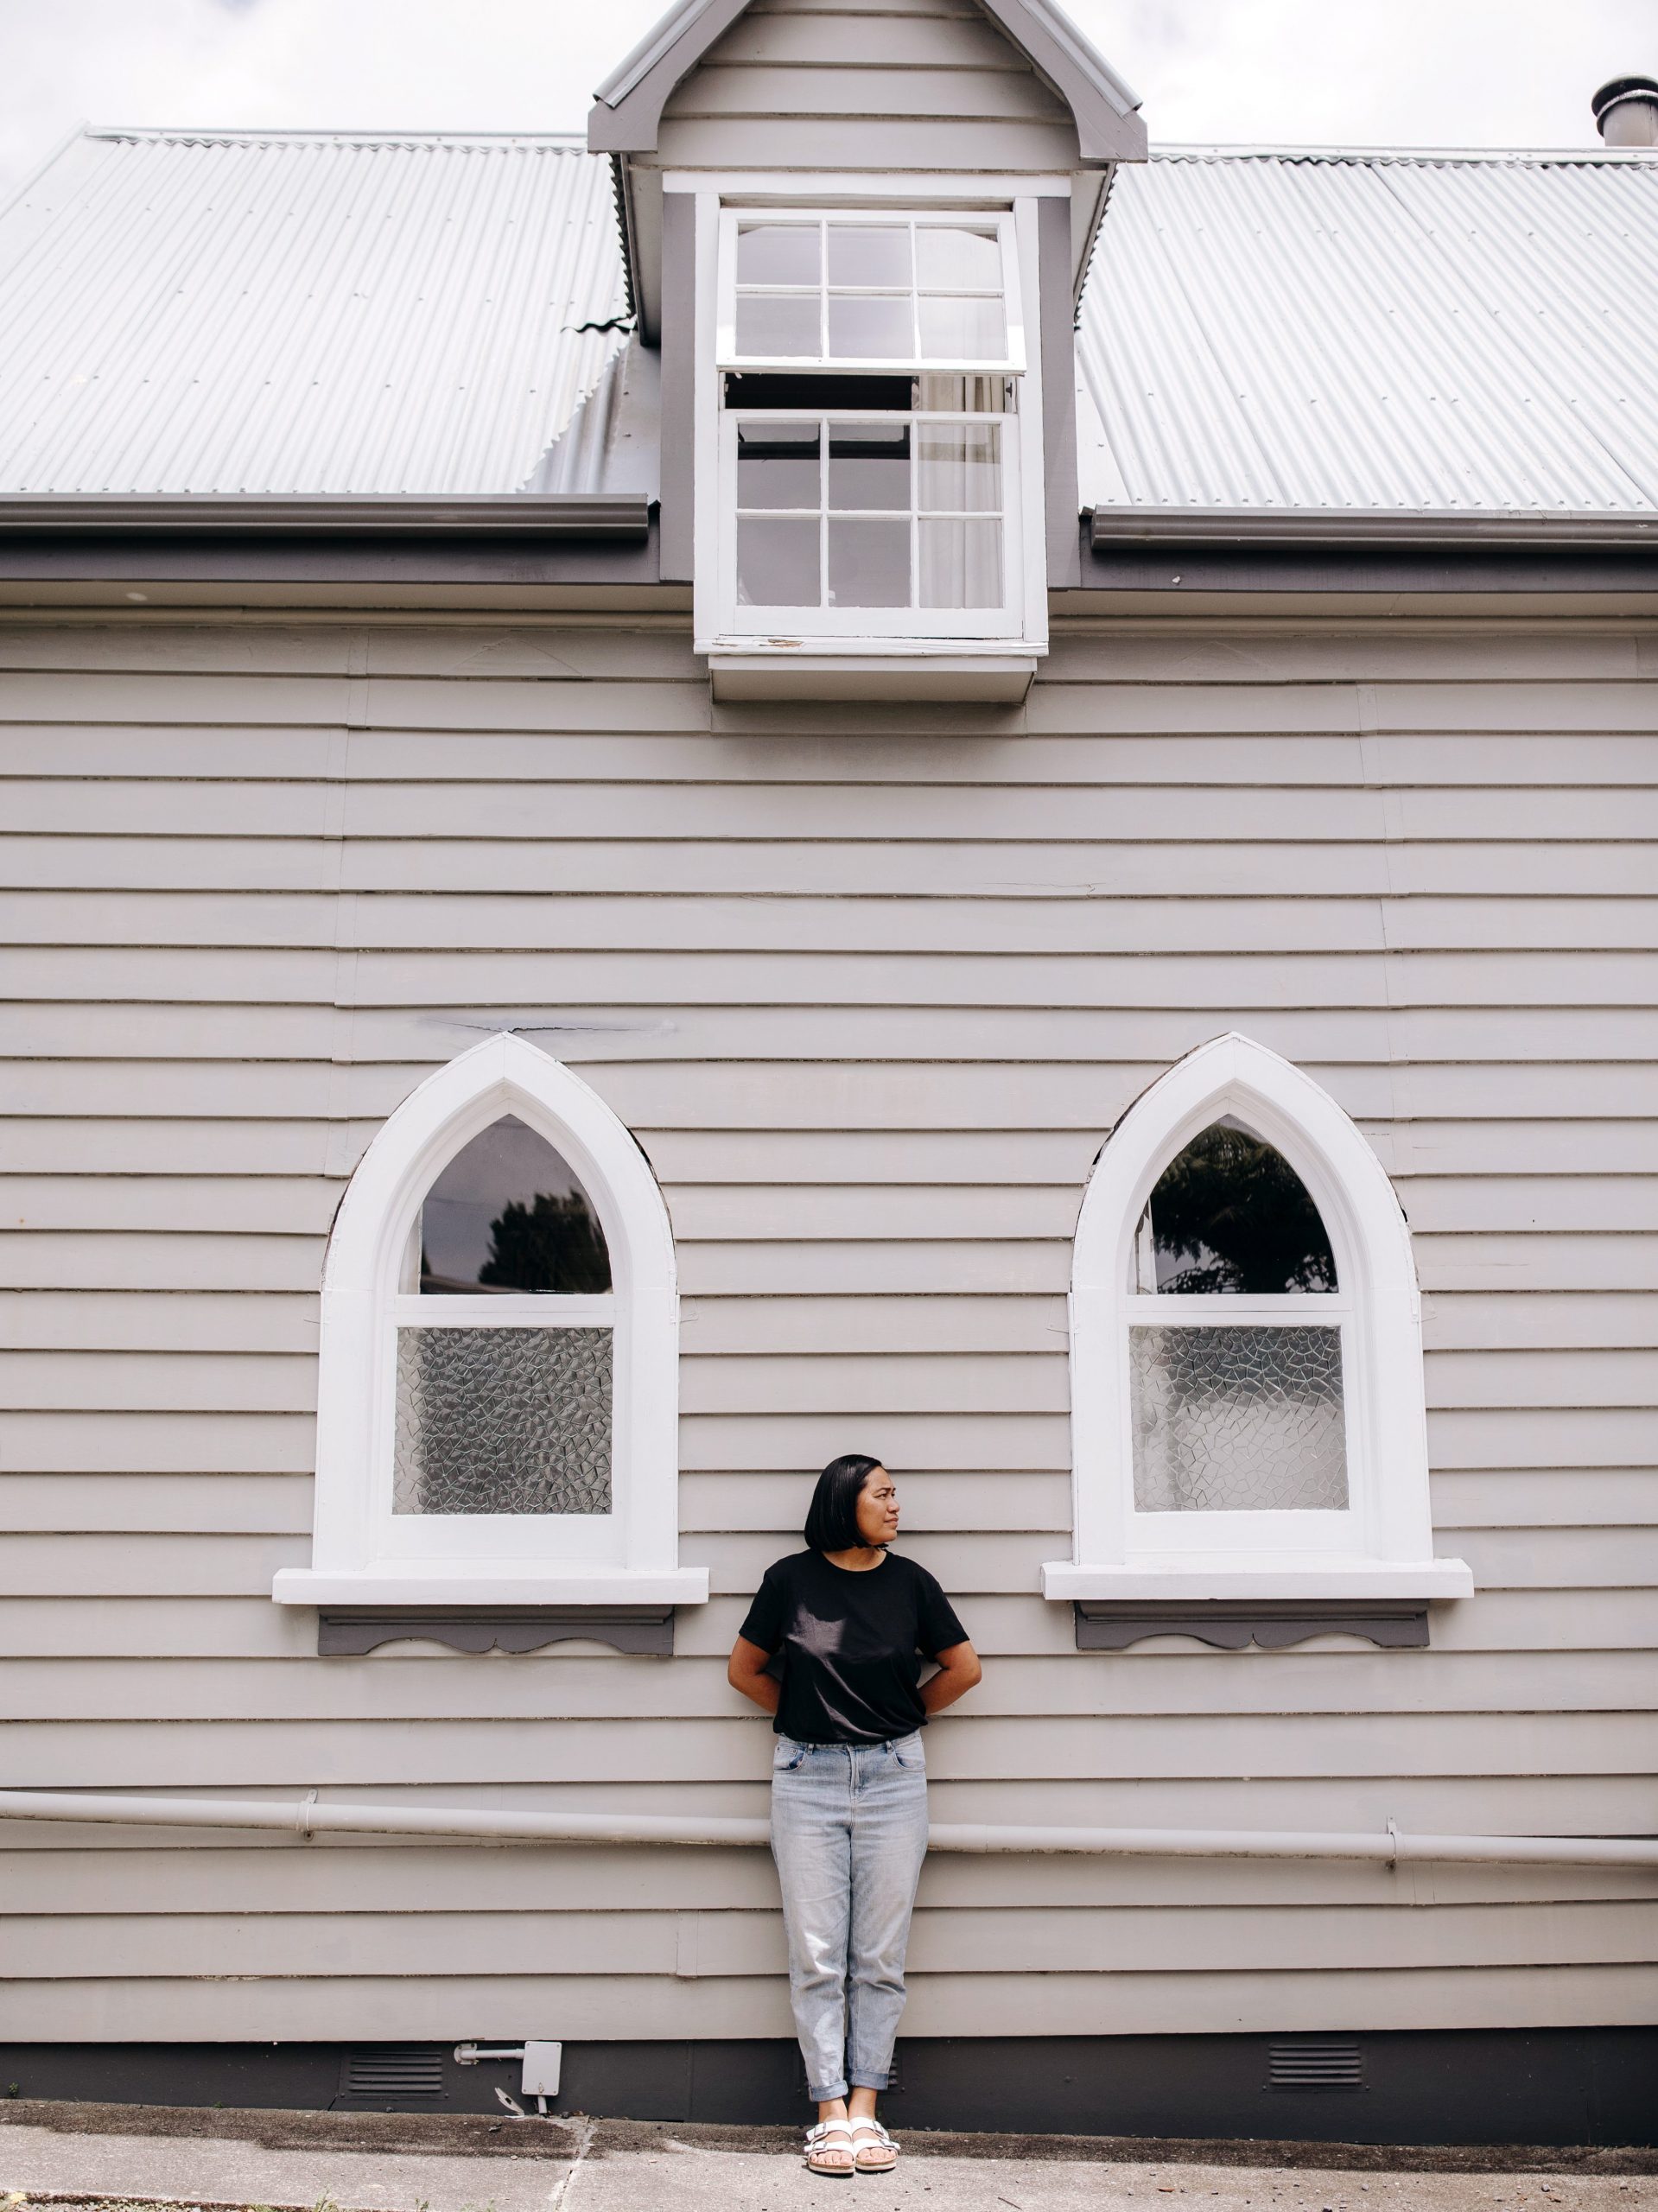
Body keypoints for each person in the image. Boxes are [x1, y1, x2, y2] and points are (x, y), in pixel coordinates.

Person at [727, 1453, 983, 2177]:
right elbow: (743, 1671)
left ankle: (867, 2112)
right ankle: (828, 2116)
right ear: (845, 1503)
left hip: (894, 1777)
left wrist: (898, 1721)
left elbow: (962, 1669)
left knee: (876, 1957)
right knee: (815, 1955)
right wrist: (813, 1718)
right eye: (884, 1494)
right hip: (804, 1777)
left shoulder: (911, 1583)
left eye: (896, 1494)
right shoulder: (789, 1580)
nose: (897, 1506)